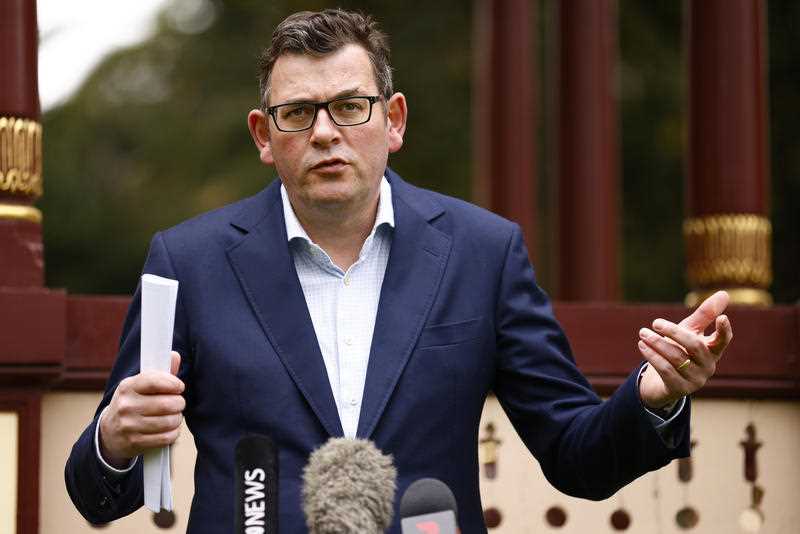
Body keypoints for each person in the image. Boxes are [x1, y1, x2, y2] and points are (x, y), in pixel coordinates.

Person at [65, 9, 733, 533]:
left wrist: (655, 397)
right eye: (297, 113)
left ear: (394, 120)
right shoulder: (190, 261)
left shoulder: (483, 254)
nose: (325, 132)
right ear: (264, 137)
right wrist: (115, 440)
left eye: (351, 106)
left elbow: (574, 455)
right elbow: (97, 494)